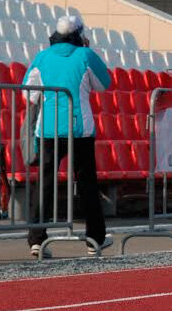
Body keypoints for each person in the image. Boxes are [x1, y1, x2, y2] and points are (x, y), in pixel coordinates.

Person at [22, 14, 112, 257]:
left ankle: (37, 239)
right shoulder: (85, 55)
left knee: (45, 183)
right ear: (78, 35)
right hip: (79, 128)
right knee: (86, 184)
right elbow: (104, 84)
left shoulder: (42, 56)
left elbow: (29, 94)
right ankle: (94, 239)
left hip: (48, 129)